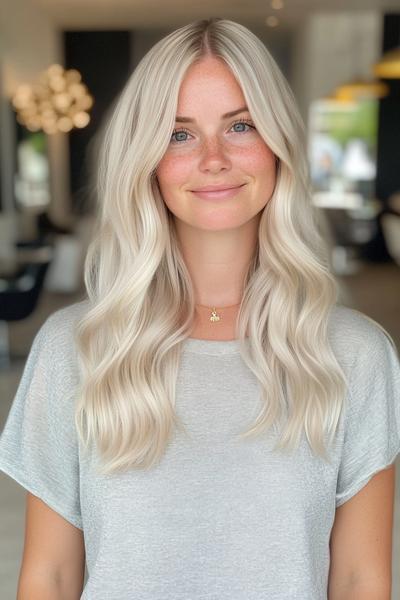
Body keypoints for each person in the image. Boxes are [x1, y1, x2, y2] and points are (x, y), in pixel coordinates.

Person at [0, 17, 399, 600]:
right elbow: (50, 576)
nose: (213, 158)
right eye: (179, 133)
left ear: (279, 143)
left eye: (240, 125)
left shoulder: (355, 353)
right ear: (148, 159)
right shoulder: (74, 345)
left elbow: (361, 579)